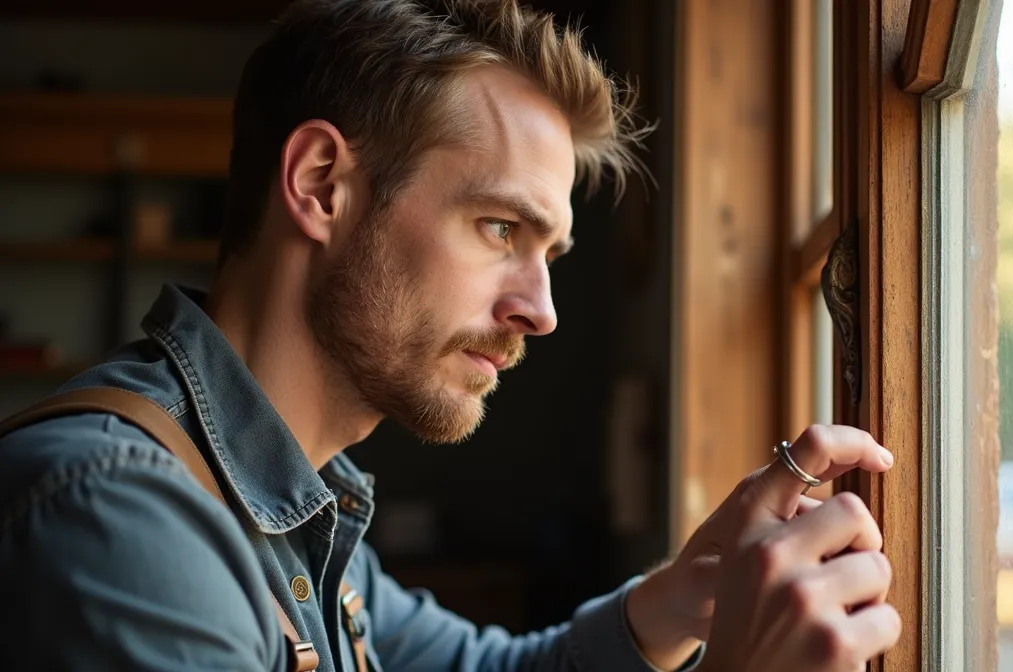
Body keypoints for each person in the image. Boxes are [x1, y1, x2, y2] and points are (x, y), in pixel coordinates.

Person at [0, 0, 902, 669]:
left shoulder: (300, 501)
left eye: (549, 250)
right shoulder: (121, 517)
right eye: (501, 229)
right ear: (320, 186)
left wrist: (681, 600)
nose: (541, 310)